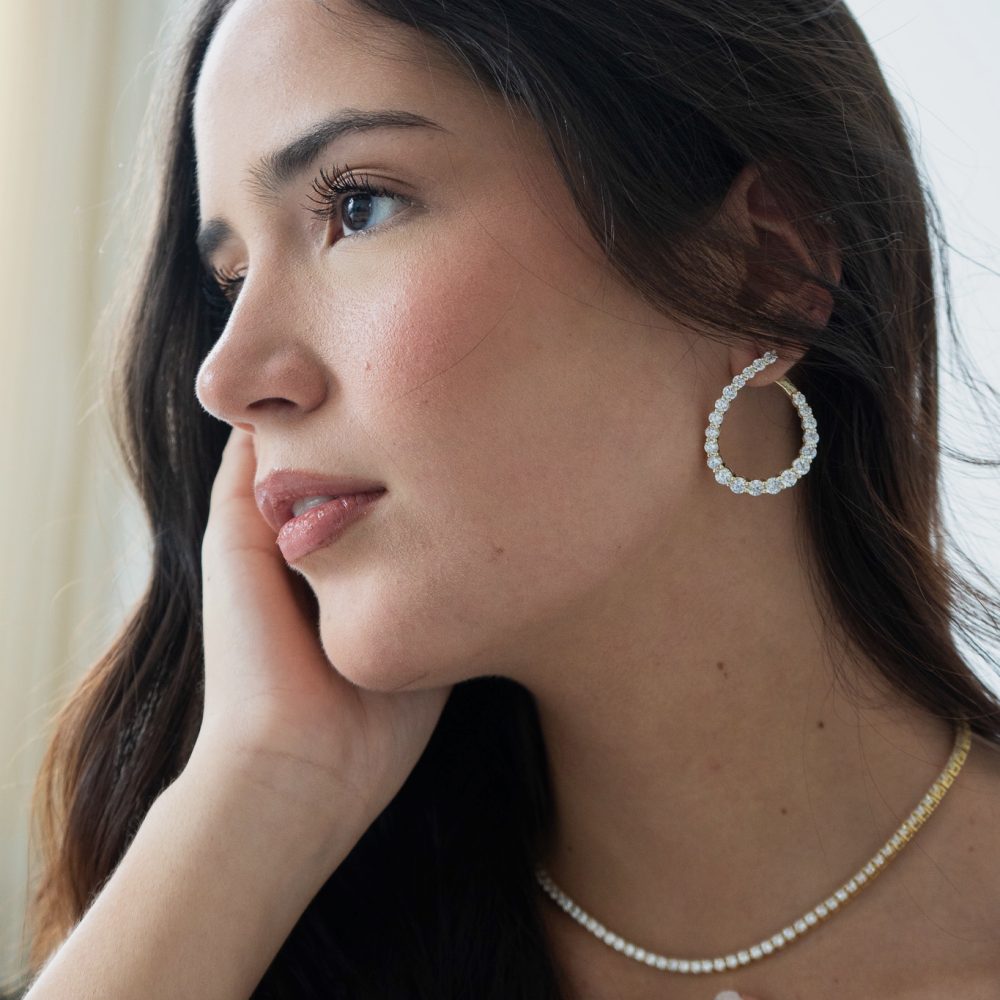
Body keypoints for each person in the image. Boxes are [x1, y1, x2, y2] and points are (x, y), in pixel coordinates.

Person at [17, 0, 1000, 997]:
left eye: (358, 206)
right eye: (230, 281)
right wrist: (264, 788)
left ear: (763, 266)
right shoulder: (269, 934)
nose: (224, 379)